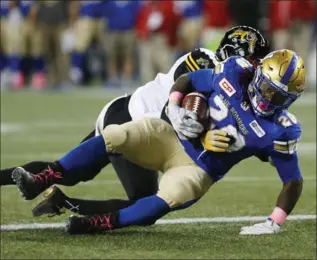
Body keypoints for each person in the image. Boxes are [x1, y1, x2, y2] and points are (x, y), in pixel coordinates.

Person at [13, 49, 305, 236]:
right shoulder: (235, 71)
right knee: (116, 134)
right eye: (268, 89)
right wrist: (176, 105)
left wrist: (275, 221)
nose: (269, 99)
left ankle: (98, 223)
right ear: (258, 76)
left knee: (170, 196)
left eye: (279, 97)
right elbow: (189, 79)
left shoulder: (280, 129)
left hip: (198, 168)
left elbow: (292, 180)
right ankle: (43, 178)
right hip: (170, 136)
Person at [1, 26, 270, 212]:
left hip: (141, 126)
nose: (257, 69)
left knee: (74, 173)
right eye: (255, 61)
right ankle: (63, 203)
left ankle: (57, 198)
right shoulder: (203, 61)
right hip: (131, 117)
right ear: (237, 54)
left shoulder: (230, 87)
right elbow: (173, 112)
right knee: (143, 202)